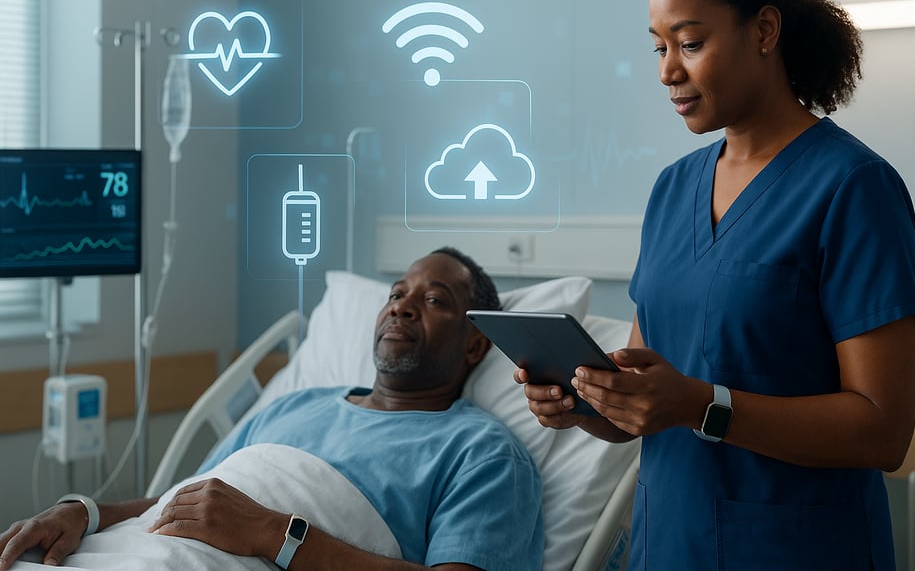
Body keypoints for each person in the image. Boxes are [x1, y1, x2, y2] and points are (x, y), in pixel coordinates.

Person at [517, 0, 915, 571]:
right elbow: (646, 398)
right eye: (658, 48)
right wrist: (583, 404)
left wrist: (703, 405)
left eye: (690, 42)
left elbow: (884, 430)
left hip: (796, 550)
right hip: (668, 541)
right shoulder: (671, 190)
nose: (667, 71)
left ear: (765, 31)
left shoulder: (854, 188)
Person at [1, 247, 543, 571]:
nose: (401, 304)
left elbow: (238, 522)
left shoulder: (482, 452)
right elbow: (192, 504)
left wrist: (277, 536)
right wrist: (85, 513)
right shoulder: (294, 404)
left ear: (475, 344)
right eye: (397, 292)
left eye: (434, 300)